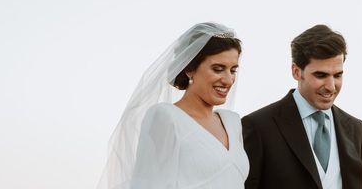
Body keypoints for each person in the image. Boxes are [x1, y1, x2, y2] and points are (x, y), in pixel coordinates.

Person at [97, 22, 249, 189]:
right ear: (190, 69)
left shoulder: (232, 122)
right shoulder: (166, 117)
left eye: (233, 70)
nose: (228, 80)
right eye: (218, 69)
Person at [242, 24, 362, 189]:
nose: (331, 86)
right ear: (296, 71)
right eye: (320, 75)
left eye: (337, 75)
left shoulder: (356, 129)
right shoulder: (258, 126)